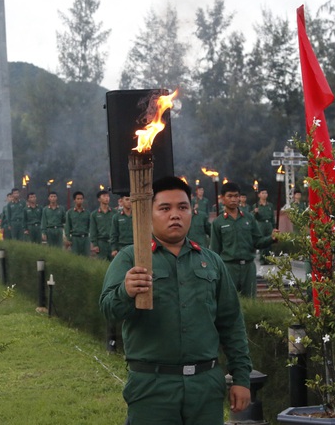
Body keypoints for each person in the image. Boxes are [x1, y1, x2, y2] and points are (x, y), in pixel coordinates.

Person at [100, 176, 252, 425]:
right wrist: (125, 291)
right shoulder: (132, 259)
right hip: (153, 387)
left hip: (205, 385)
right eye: (164, 208)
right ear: (148, 213)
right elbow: (109, 310)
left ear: (191, 211)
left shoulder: (211, 261)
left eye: (182, 207)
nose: (175, 215)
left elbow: (232, 323)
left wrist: (241, 379)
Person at [210, 182, 277, 297]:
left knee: (251, 301)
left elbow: (257, 242)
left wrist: (271, 238)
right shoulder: (218, 222)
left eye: (236, 196)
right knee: (229, 301)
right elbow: (215, 251)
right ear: (222, 199)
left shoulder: (248, 218)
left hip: (248, 268)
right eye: (230, 196)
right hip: (229, 268)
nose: (233, 199)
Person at [90, 189, 114, 260]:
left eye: (108, 196)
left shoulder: (115, 212)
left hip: (112, 242)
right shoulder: (94, 214)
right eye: (104, 196)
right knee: (102, 262)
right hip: (101, 243)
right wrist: (95, 244)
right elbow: (93, 230)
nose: (107, 198)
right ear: (99, 199)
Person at [65, 191, 91, 256]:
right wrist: (68, 238)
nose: (80, 200)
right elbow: (67, 226)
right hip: (75, 238)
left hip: (85, 238)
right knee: (75, 257)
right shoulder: (70, 213)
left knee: (86, 258)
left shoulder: (87, 213)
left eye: (81, 199)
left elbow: (90, 226)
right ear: (75, 200)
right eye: (78, 199)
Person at [110, 193, 133, 258]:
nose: (129, 202)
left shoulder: (137, 215)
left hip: (135, 245)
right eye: (127, 199)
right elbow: (114, 233)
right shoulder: (116, 217)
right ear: (122, 201)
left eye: (131, 200)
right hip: (122, 246)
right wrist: (114, 249)